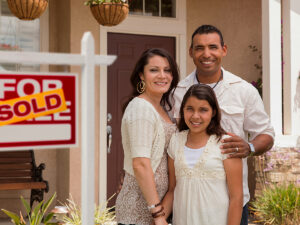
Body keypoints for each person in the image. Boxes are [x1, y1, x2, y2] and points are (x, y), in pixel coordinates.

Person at [170, 25, 275, 225]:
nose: (206, 54)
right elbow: (170, 139)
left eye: (213, 47)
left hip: (233, 201)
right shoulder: (178, 91)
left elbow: (266, 134)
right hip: (188, 202)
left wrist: (250, 147)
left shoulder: (243, 91)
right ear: (191, 52)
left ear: (223, 50)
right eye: (199, 48)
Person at [115, 48, 179, 225]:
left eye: (167, 70)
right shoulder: (141, 108)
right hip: (139, 210)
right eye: (154, 70)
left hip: (158, 207)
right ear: (141, 76)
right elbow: (140, 164)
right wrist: (157, 214)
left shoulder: (163, 108)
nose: (162, 75)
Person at [166, 84, 243, 225]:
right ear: (182, 110)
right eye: (190, 109)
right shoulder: (176, 141)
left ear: (213, 112)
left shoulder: (226, 144)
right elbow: (172, 190)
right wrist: (158, 218)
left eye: (203, 110)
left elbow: (236, 198)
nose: (195, 116)